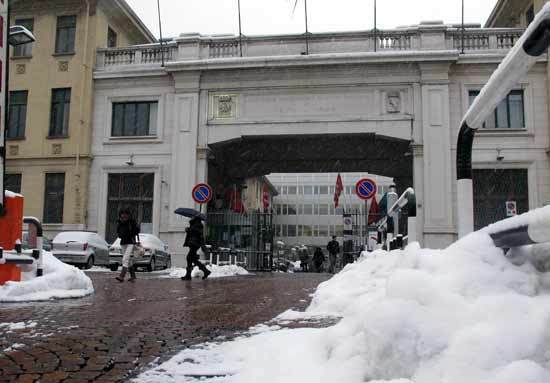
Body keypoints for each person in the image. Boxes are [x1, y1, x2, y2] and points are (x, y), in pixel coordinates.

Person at [181, 216, 211, 280]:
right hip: (192, 244)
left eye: (192, 217)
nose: (191, 218)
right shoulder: (194, 224)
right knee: (192, 259)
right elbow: (193, 233)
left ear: (195, 218)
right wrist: (189, 229)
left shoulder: (198, 225)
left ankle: (189, 275)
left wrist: (189, 230)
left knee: (189, 258)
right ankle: (205, 271)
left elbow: (197, 234)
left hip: (195, 244)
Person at [115, 208, 140, 283]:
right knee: (128, 261)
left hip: (130, 242)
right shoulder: (119, 223)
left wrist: (133, 231)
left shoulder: (131, 222)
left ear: (128, 215)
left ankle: (122, 276)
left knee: (125, 259)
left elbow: (136, 231)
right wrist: (121, 234)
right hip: (123, 242)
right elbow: (118, 233)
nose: (123, 216)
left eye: (125, 214)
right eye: (122, 215)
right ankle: (133, 276)